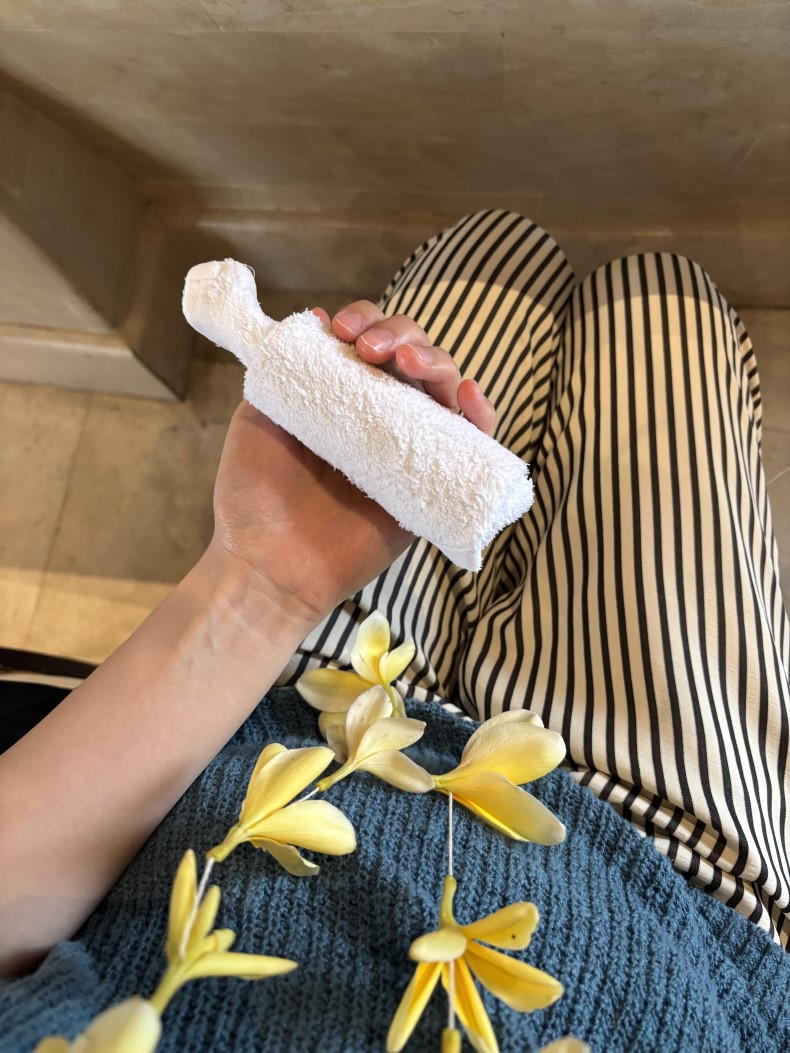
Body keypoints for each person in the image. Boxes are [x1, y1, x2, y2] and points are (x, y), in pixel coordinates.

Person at [0, 210, 787, 1044]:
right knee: (664, 305)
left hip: (295, 714)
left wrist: (260, 584)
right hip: (661, 868)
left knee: (490, 250)